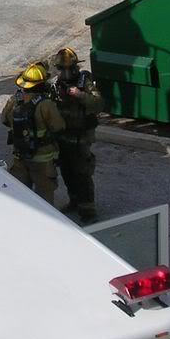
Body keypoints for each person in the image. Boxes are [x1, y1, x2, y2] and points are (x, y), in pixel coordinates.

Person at [51, 47, 103, 223]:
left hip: (81, 137)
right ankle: (74, 201)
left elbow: (98, 103)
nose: (65, 73)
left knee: (82, 173)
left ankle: (88, 210)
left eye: (68, 68)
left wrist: (81, 95)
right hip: (62, 136)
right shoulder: (56, 84)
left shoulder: (84, 81)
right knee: (66, 171)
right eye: (61, 69)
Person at [0, 62, 65, 204]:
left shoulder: (14, 100)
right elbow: (58, 127)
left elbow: (4, 120)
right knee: (45, 199)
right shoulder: (46, 104)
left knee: (22, 199)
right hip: (43, 160)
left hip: (20, 156)